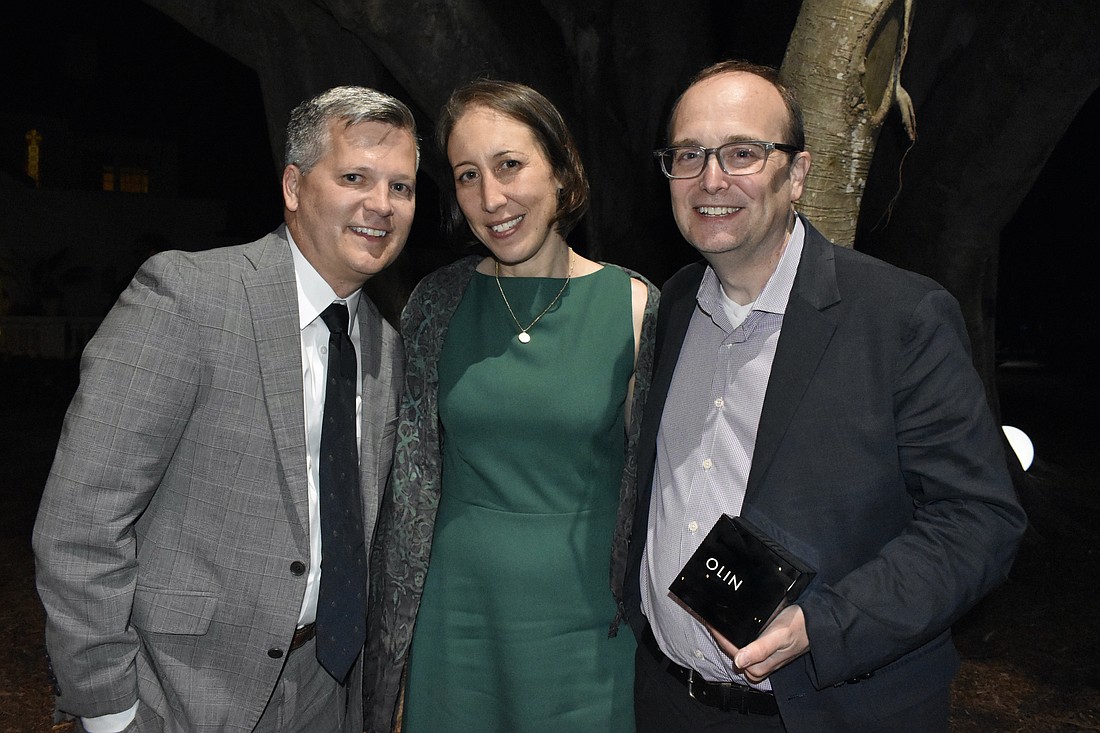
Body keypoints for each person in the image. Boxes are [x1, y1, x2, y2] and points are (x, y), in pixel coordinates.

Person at [622, 60, 1028, 732]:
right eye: (689, 154)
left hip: (830, 710)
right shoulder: (668, 309)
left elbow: (979, 520)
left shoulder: (899, 317)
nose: (711, 178)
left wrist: (823, 622)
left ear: (799, 173)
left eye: (743, 153)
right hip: (666, 703)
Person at [33, 85, 418, 732]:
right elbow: (81, 522)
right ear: (294, 187)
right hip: (181, 692)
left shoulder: (388, 346)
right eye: (355, 176)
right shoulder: (188, 299)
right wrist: (109, 710)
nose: (381, 205)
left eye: (401, 187)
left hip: (331, 692)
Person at [364, 79, 658, 733]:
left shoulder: (636, 307)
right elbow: (402, 483)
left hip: (586, 633)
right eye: (468, 175)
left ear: (561, 168)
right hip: (454, 626)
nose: (490, 198)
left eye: (510, 165)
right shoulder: (436, 304)